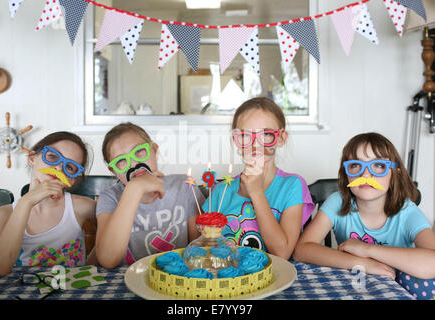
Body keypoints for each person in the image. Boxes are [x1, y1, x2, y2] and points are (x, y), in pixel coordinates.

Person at [293, 132, 435, 299]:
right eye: (355, 166)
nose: (366, 175)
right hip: (354, 285)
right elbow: (301, 250)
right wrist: (363, 263)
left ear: (395, 173)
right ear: (346, 174)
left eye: (379, 166)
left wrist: (365, 248)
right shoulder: (337, 202)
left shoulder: (407, 212)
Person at [203, 97, 314, 259]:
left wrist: (256, 192)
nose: (255, 145)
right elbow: (202, 248)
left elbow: (282, 253)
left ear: (281, 138)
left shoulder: (292, 186)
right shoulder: (221, 191)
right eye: (245, 136)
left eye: (267, 134)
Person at [95, 122, 205, 269]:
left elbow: (199, 251)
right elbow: (108, 260)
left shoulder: (183, 186)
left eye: (139, 151)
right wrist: (134, 189)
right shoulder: (109, 197)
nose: (133, 163)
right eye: (121, 160)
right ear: (113, 171)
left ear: (154, 150)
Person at [0, 132, 97, 276]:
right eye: (52, 156)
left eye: (70, 167)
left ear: (72, 180)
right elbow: (0, 268)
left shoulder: (82, 207)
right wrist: (26, 202)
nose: (58, 168)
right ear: (32, 158)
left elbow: (114, 230)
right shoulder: (1, 215)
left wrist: (90, 263)